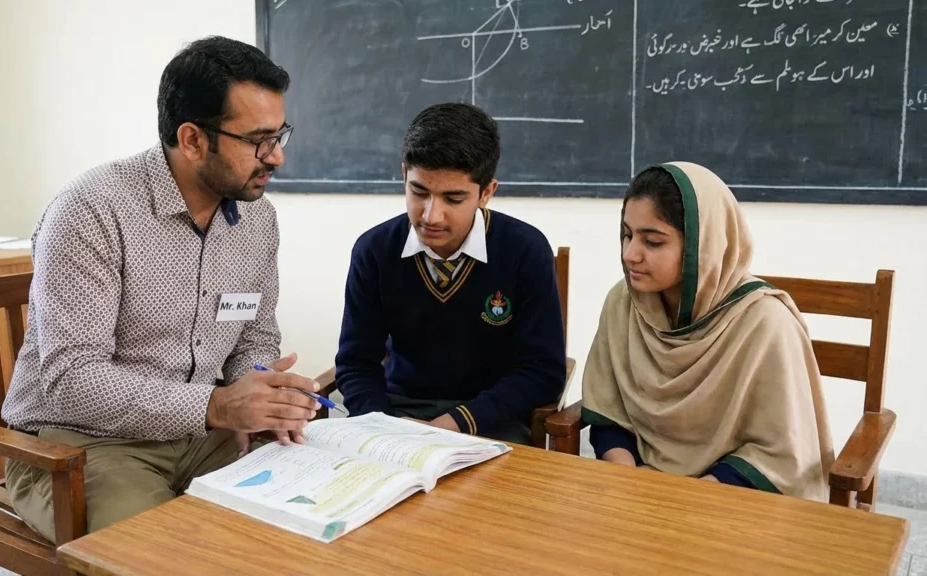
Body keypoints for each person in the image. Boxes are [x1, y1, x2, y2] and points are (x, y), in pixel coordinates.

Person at [0, 36, 321, 541]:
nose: (277, 156)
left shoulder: (258, 220)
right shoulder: (90, 211)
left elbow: (255, 337)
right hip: (78, 444)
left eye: (280, 135)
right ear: (192, 140)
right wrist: (217, 406)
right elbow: (72, 380)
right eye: (259, 140)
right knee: (159, 554)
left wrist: (260, 396)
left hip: (204, 433)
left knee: (309, 511)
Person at [580, 161, 834, 499]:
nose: (630, 255)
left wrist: (692, 499)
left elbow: (780, 454)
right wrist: (628, 482)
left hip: (732, 498)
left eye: (652, 242)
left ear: (703, 245)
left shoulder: (765, 323)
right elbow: (610, 415)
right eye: (627, 235)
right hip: (638, 485)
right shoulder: (623, 303)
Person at [333, 103, 566, 445]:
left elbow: (542, 371)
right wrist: (384, 424)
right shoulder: (374, 251)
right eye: (419, 192)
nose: (432, 216)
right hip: (397, 415)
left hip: (490, 420)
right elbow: (356, 364)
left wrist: (453, 423)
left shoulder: (525, 250)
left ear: (487, 193)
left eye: (453, 199)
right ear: (404, 175)